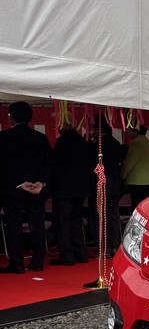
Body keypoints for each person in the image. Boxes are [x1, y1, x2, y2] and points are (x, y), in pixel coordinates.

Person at [0, 101, 52, 273]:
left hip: (12, 189)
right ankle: (37, 262)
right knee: (36, 224)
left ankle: (17, 263)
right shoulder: (41, 138)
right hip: (36, 189)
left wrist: (20, 182)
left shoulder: (3, 138)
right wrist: (41, 182)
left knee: (13, 225)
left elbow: (4, 165)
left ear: (11, 118)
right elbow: (48, 163)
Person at [49, 113, 92, 266]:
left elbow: (56, 167)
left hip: (64, 190)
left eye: (57, 124)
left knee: (62, 223)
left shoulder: (62, 142)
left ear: (64, 124)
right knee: (75, 221)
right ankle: (81, 253)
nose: (56, 127)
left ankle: (66, 255)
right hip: (79, 189)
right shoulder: (81, 141)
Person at [89, 118, 124, 257]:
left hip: (100, 185)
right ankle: (116, 245)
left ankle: (104, 248)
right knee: (113, 215)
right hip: (114, 184)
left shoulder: (97, 146)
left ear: (99, 130)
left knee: (99, 217)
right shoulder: (116, 143)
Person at [121, 125, 149, 210]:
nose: (128, 132)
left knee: (136, 207)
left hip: (137, 181)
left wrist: (122, 175)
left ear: (136, 131)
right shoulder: (147, 142)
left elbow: (129, 162)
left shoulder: (136, 143)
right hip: (148, 180)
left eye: (129, 129)